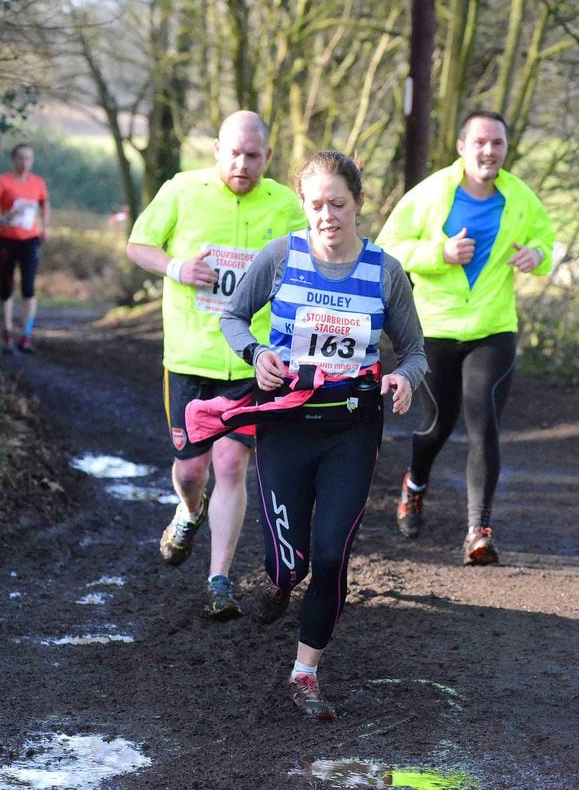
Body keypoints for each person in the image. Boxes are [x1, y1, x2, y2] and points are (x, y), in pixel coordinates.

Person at [218, 151, 427, 720]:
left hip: (351, 429)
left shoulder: (385, 270)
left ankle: (305, 672)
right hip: (285, 421)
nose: (327, 215)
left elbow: (413, 350)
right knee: (291, 562)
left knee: (332, 554)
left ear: (359, 203)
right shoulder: (281, 255)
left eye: (338, 203)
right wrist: (256, 352)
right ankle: (282, 582)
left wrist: (404, 379)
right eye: (316, 205)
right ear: (304, 205)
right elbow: (233, 316)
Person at [125, 111, 307, 620]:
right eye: (234, 153)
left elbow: (312, 263)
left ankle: (218, 580)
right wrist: (177, 267)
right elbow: (138, 244)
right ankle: (188, 509)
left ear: (268, 158)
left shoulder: (287, 206)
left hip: (253, 359)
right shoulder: (182, 190)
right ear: (217, 151)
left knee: (231, 465)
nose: (242, 164)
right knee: (191, 469)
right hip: (189, 357)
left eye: (253, 156)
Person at [376, 109, 555, 566]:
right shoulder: (433, 192)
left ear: (506, 150)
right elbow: (388, 247)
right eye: (480, 142)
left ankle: (478, 530)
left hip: (493, 328)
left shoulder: (519, 196)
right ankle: (415, 484)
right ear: (461, 147)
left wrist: (538, 255)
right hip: (434, 328)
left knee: (484, 419)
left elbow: (547, 242)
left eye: (497, 143)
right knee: (438, 425)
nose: (489, 151)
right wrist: (440, 252)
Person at [0, 143, 50, 354]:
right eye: (20, 158)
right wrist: (2, 218)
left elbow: (45, 204)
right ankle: (8, 332)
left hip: (30, 241)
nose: (24, 163)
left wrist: (45, 227)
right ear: (14, 160)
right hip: (6, 241)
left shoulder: (38, 183)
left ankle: (26, 335)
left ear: (33, 160)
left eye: (28, 158)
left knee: (28, 288)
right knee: (6, 287)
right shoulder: (3, 182)